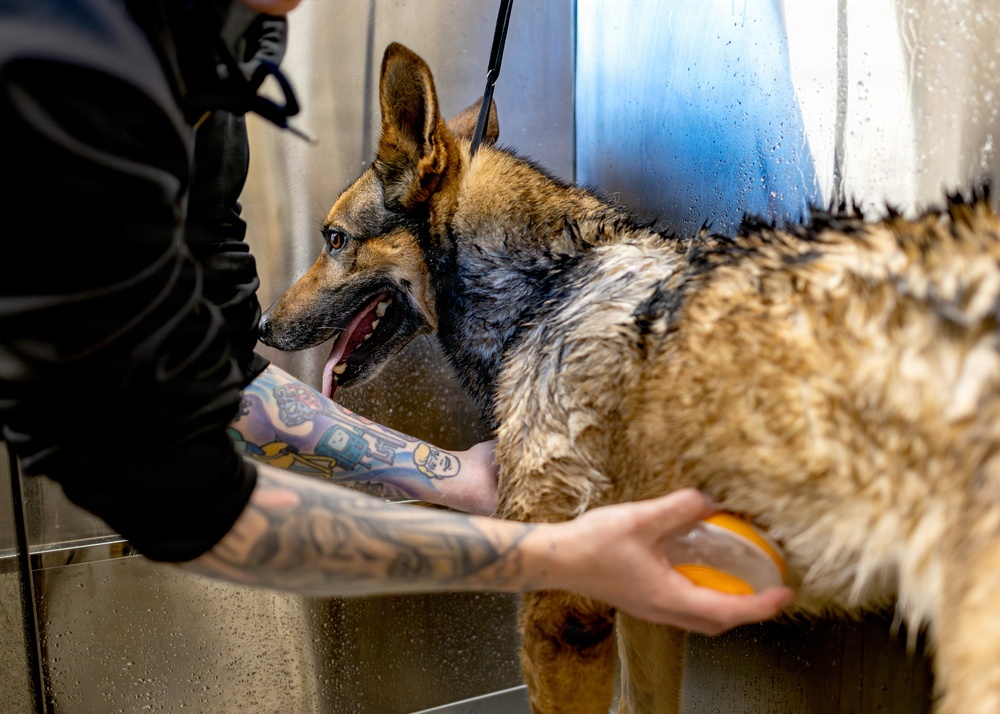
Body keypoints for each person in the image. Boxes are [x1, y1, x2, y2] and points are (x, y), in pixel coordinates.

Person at [0, 0, 792, 635]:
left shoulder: (217, 55)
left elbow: (221, 369)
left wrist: (450, 474)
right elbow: (189, 497)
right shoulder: (78, 74)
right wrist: (540, 553)